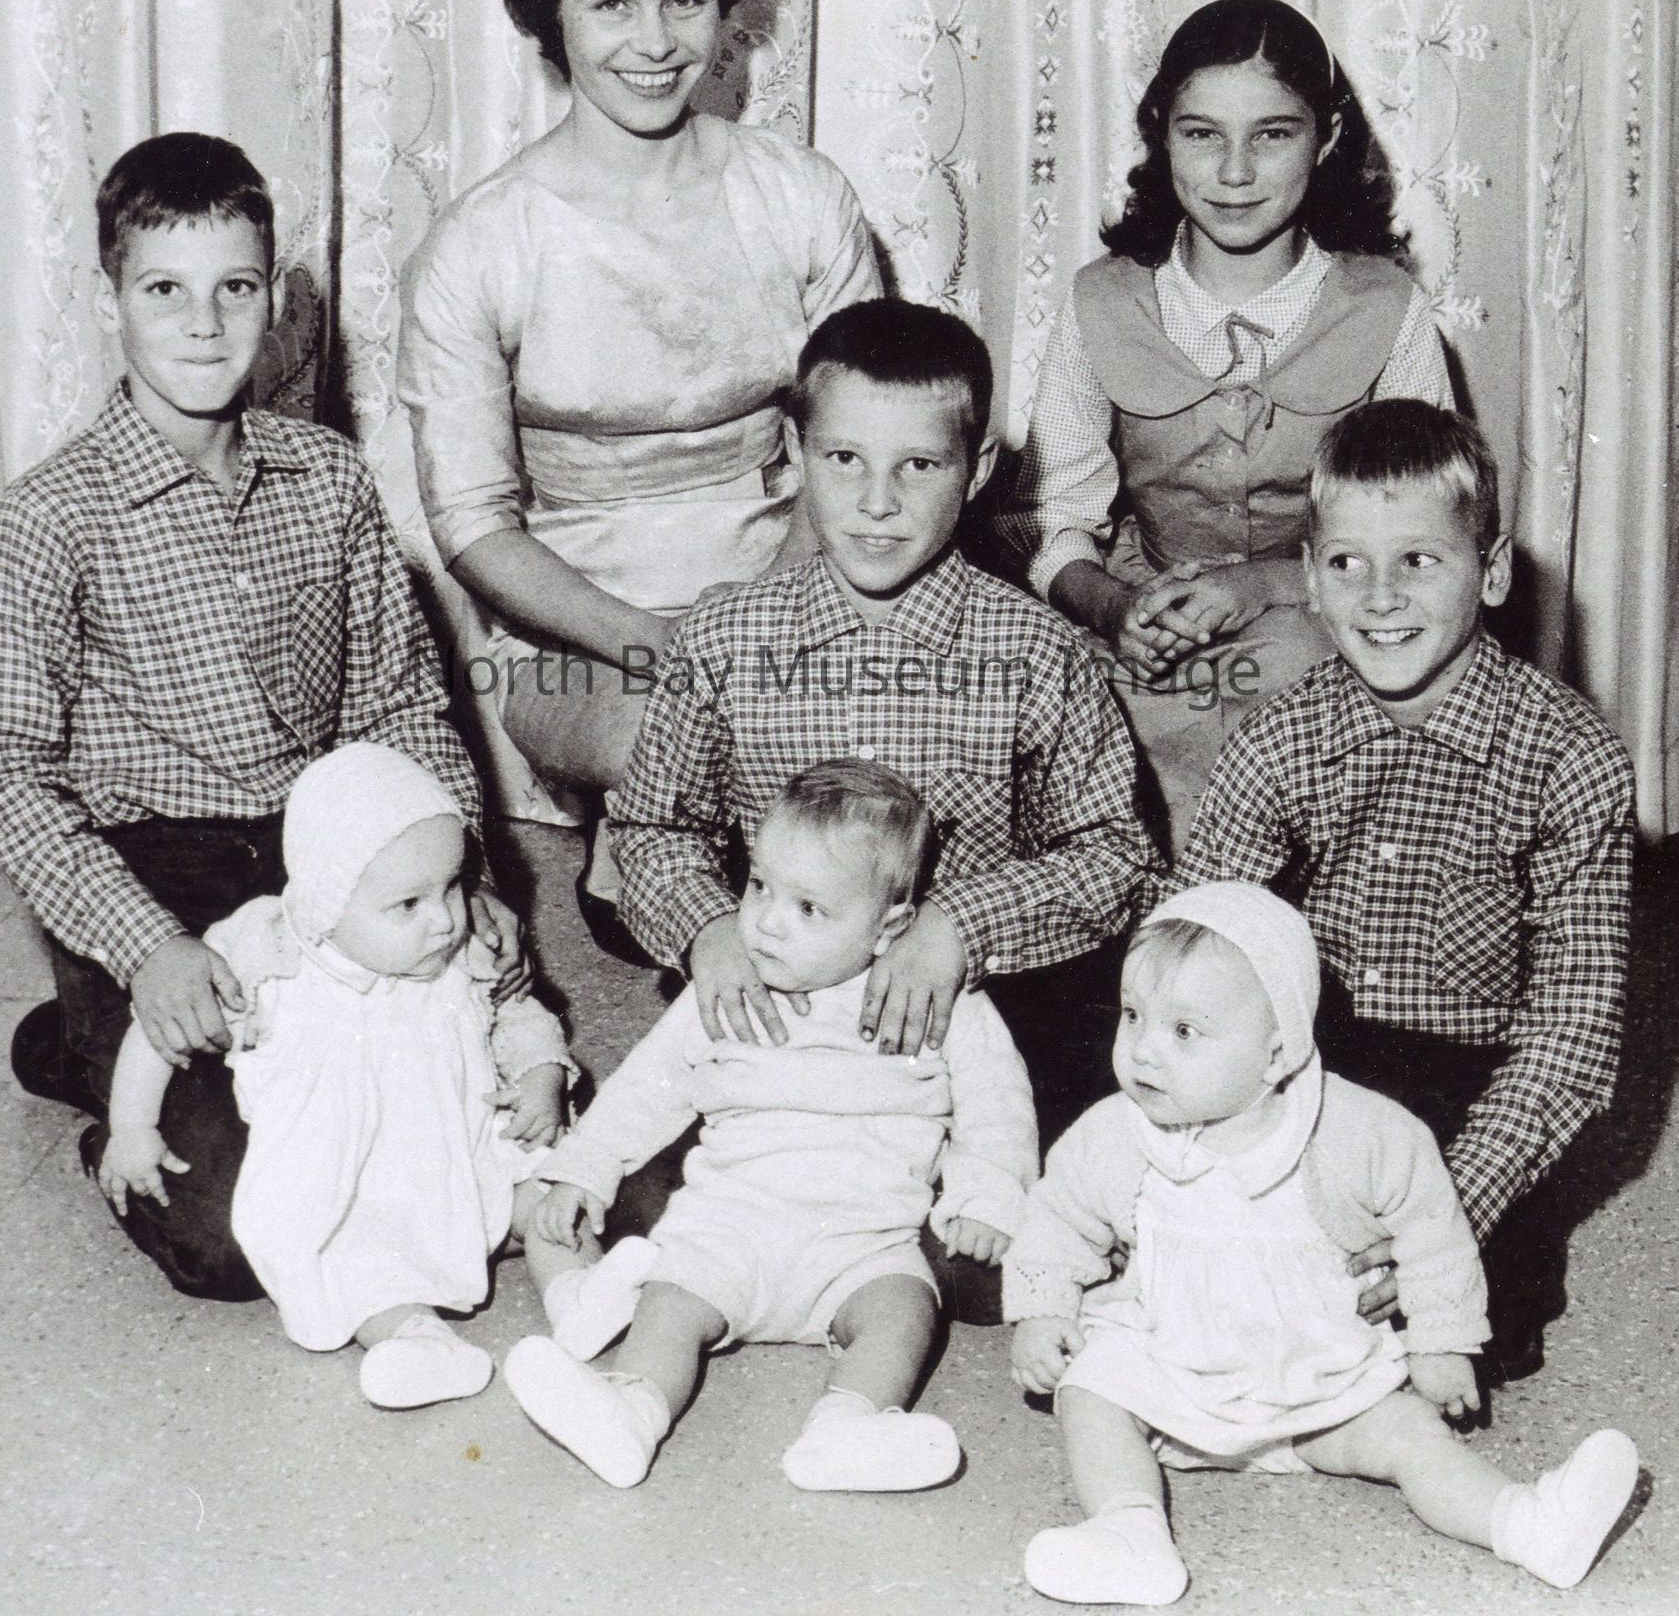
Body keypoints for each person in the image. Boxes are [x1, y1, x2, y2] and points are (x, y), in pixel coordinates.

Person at [0, 133, 520, 1301]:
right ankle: (96, 1031)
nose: (205, 324)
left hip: (319, 844)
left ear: (275, 297)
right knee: (237, 1238)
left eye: (237, 287)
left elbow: (400, 705)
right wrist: (145, 946)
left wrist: (459, 877)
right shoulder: (43, 518)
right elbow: (8, 777)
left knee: (461, 1130)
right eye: (164, 289)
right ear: (109, 298)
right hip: (150, 868)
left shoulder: (330, 480)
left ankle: (77, 1034)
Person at [396, 0, 881, 949]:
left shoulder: (800, 194)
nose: (655, 43)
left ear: (723, 11)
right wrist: (660, 646)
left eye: (685, 0)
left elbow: (863, 438)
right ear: (551, 20)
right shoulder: (482, 243)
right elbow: (473, 525)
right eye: (611, 3)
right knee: (692, 742)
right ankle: (674, 849)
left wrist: (766, 619)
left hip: (802, 581)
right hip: (576, 633)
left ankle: (712, 859)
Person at [607, 299, 1162, 1145]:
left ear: (975, 471)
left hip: (968, 1015)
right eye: (844, 459)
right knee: (666, 1178)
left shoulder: (1038, 652)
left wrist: (960, 924)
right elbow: (652, 827)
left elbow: (1115, 854)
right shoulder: (722, 637)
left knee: (1057, 1167)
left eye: (918, 466)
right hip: (779, 1003)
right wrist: (707, 927)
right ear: (794, 451)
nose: (877, 502)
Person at [1005, 883, 1642, 1606]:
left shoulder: (1356, 1131)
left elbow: (1432, 1229)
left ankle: (1526, 1524)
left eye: (1183, 1031)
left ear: (1275, 1051)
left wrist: (1441, 1340)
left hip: (1322, 1380)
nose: (1143, 1049)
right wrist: (1041, 1308)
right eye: (1132, 1015)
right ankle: (1128, 1533)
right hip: (1170, 1368)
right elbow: (1057, 1216)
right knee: (1091, 1391)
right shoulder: (1114, 1133)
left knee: (1411, 1435)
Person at [1176, 400, 1637, 1379]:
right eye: (1347, 564)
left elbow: (1570, 1039)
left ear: (1492, 571)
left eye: (1418, 560)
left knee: (1478, 1317)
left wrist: (1444, 1213)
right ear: (1309, 578)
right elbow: (1194, 945)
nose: (1380, 597)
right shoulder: (1277, 740)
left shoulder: (1572, 758)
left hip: (1476, 1084)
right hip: (1316, 1061)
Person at [502, 759, 1038, 1491]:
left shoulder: (935, 1000)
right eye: (758, 886)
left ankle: (847, 1426)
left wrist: (988, 1196)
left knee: (904, 1312)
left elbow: (995, 1105)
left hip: (864, 1241)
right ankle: (631, 1409)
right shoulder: (729, 990)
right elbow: (644, 1090)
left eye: (809, 908)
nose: (766, 921)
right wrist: (585, 1169)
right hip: (727, 1227)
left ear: (890, 927)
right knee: (668, 1303)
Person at [1000, 0, 1454, 846]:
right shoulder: (1101, 300)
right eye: (1201, 133)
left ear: (1325, 139)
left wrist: (1261, 586)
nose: (1235, 172)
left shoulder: (1386, 308)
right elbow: (1049, 514)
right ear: (1159, 134)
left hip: (1324, 620)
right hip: (1141, 619)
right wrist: (1111, 607)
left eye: (1272, 134)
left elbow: (1426, 534)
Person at [97, 743, 648, 1408]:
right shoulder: (268, 957)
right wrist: (132, 1127)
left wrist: (542, 1075)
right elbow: (158, 1030)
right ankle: (415, 1343)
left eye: (452, 886)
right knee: (355, 1260)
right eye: (408, 904)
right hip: (353, 1176)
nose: (444, 919)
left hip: (469, 1147)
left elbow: (517, 1013)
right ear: (326, 905)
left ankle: (577, 1292)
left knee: (552, 1190)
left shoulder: (456, 948)